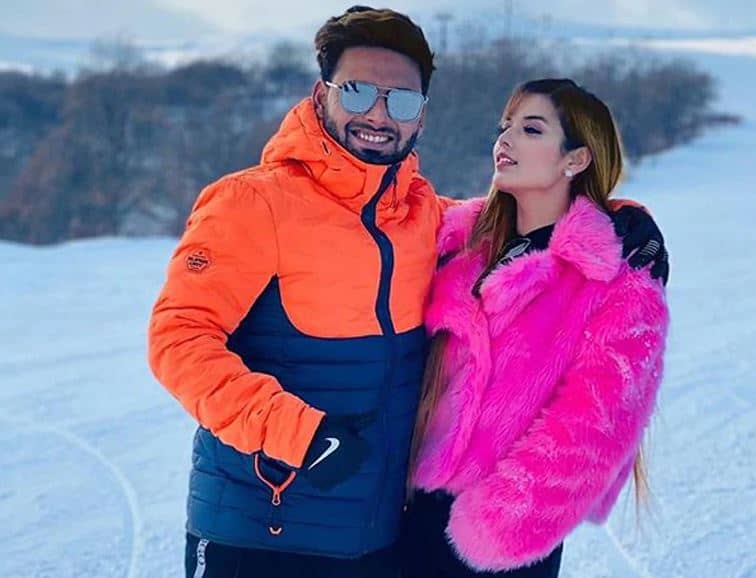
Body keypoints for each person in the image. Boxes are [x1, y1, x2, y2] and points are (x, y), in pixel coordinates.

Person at [147, 7, 668, 578]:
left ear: (420, 115)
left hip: (375, 543)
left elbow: (528, 216)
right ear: (321, 96)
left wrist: (619, 217)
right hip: (257, 533)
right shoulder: (252, 203)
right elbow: (178, 340)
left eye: (400, 101)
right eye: (357, 91)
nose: (378, 114)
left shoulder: (424, 217)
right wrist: (298, 434)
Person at [401, 78, 670, 578]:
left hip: (497, 535)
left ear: (576, 159)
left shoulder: (616, 271)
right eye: (504, 126)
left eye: (531, 129)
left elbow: (599, 420)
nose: (505, 139)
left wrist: (499, 524)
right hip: (407, 514)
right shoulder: (459, 240)